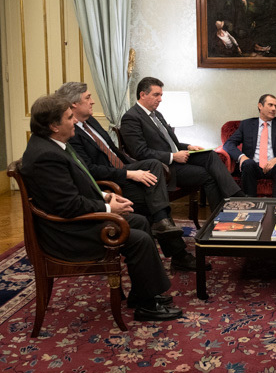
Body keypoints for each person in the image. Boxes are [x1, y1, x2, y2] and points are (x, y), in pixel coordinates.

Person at [19, 94, 182, 321]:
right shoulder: (46, 156)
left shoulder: (53, 144)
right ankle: (147, 307)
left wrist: (106, 196)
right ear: (54, 126)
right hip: (66, 233)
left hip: (76, 219)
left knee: (141, 221)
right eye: (69, 118)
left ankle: (142, 293)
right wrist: (109, 209)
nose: (74, 121)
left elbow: (79, 183)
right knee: (140, 239)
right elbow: (68, 205)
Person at [57, 82, 205, 273]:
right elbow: (91, 170)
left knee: (153, 165)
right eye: (88, 97)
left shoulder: (90, 121)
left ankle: (163, 227)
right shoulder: (72, 132)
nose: (93, 101)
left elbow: (114, 151)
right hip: (111, 183)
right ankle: (177, 252)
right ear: (74, 103)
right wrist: (129, 172)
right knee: (154, 201)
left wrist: (132, 165)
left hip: (121, 169)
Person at [120, 77, 244, 211]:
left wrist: (188, 147)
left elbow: (171, 142)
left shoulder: (157, 114)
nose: (160, 99)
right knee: (208, 175)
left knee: (210, 155)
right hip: (164, 167)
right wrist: (173, 156)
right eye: (156, 95)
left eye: (161, 95)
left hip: (175, 159)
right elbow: (140, 152)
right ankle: (220, 216)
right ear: (142, 95)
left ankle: (236, 196)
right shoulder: (131, 118)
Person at [223, 94, 276, 197]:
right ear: (260, 106)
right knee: (247, 164)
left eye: (275, 106)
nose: (274, 109)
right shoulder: (246, 125)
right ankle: (250, 205)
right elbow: (228, 144)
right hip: (253, 166)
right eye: (270, 105)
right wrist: (242, 157)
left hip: (274, 166)